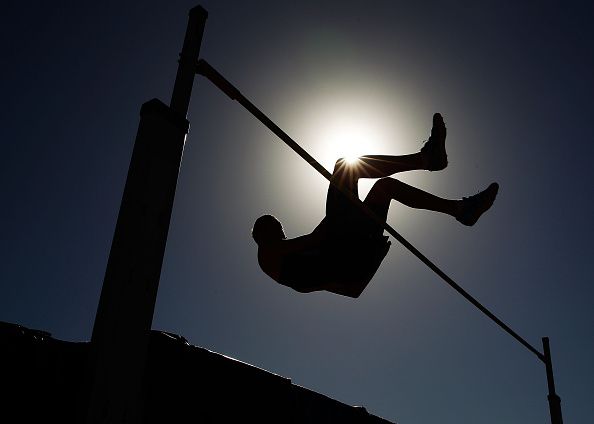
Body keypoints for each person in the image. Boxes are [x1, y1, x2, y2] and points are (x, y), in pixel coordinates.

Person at [252, 113, 498, 298]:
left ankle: (460, 210)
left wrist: (373, 259)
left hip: (354, 249)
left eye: (281, 230)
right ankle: (426, 159)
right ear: (263, 235)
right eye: (276, 229)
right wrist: (346, 206)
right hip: (346, 247)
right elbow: (319, 238)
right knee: (344, 168)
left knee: (385, 188)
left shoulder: (299, 269)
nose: (283, 234)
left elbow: (353, 290)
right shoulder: (269, 256)